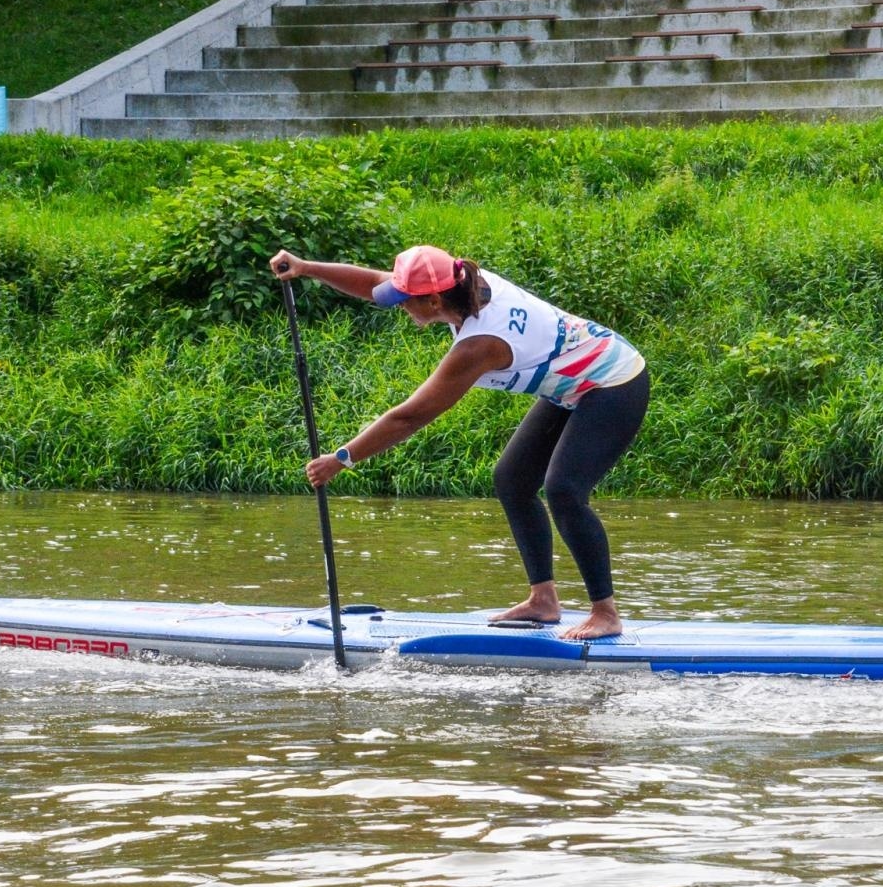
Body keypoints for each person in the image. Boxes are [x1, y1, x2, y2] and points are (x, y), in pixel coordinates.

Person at [269, 244, 649, 641]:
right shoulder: (463, 288)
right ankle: (543, 601)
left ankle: (605, 613)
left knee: (564, 490)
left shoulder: (479, 345)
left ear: (433, 300)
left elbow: (411, 416)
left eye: (405, 301)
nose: (398, 306)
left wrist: (342, 458)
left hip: (614, 382)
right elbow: (377, 284)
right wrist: (306, 267)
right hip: (571, 387)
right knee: (512, 480)